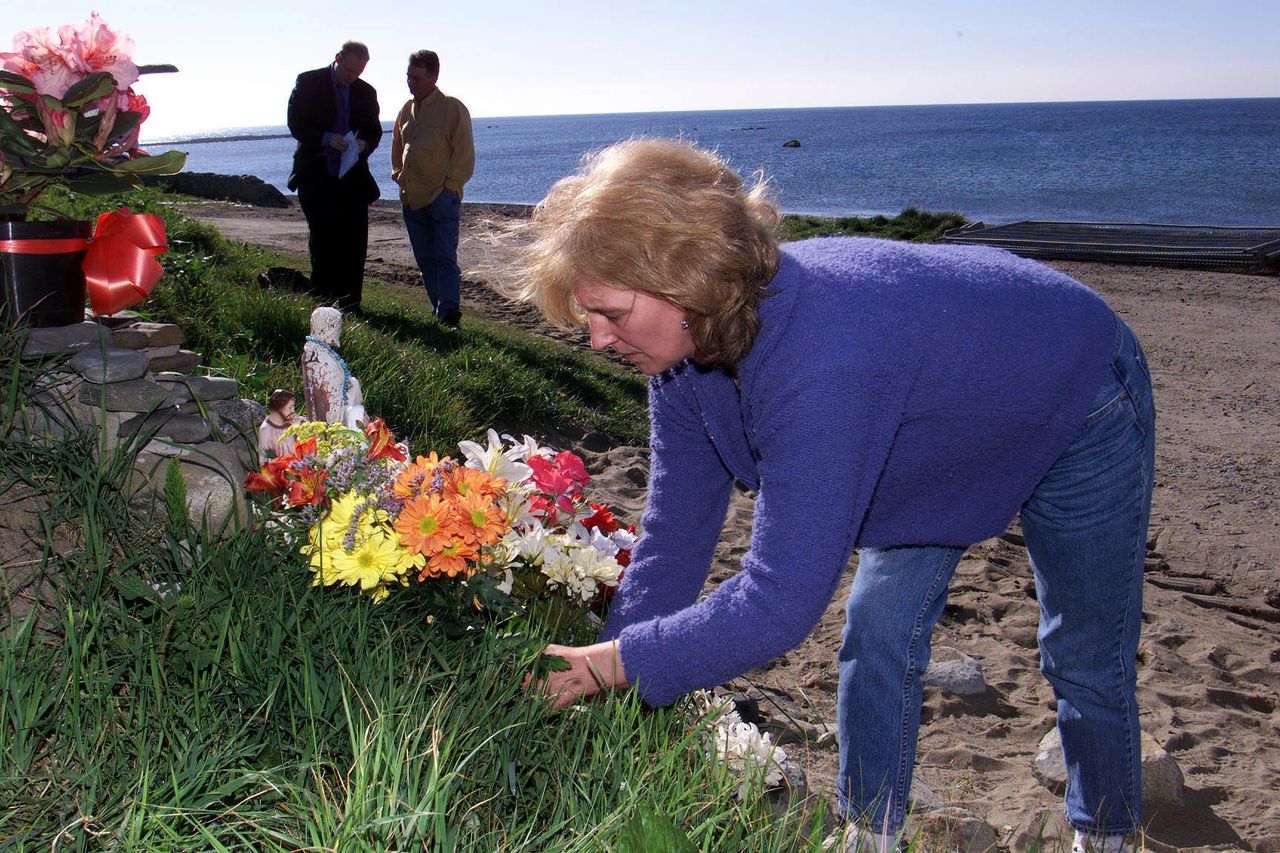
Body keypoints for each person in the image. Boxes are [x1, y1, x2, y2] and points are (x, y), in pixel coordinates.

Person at [512, 139, 1154, 853]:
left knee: (1084, 650)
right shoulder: (681, 362)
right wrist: (606, 670)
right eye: (586, 317)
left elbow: (777, 602)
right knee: (877, 628)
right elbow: (674, 540)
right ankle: (872, 833)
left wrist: (618, 663)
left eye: (610, 312)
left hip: (1075, 387)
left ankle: (1107, 832)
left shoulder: (821, 360)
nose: (598, 339)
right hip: (929, 422)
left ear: (683, 275)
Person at [287, 41, 383, 312]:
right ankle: (323, 302)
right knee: (323, 240)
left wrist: (364, 144)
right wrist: (327, 139)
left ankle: (351, 303)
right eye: (349, 70)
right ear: (338, 58)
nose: (352, 77)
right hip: (317, 174)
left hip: (352, 177)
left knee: (354, 241)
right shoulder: (309, 82)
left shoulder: (366, 92)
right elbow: (296, 123)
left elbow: (374, 131)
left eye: (358, 73)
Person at [390, 49, 475, 328]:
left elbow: (464, 153)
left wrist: (450, 187)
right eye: (408, 76)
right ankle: (439, 312)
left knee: (444, 258)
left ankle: (449, 314)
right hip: (411, 198)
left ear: (433, 76)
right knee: (426, 260)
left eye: (416, 77)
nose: (410, 82)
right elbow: (398, 147)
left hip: (441, 198)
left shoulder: (452, 108)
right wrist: (399, 176)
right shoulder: (405, 110)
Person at [301, 306, 366, 429]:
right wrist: (354, 391)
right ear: (329, 327)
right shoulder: (322, 358)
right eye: (338, 326)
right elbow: (332, 407)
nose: (340, 330)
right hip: (332, 428)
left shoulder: (315, 350)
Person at [257, 388, 298, 463]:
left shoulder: (289, 423)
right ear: (279, 408)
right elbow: (264, 459)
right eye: (290, 407)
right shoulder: (266, 430)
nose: (293, 411)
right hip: (279, 471)